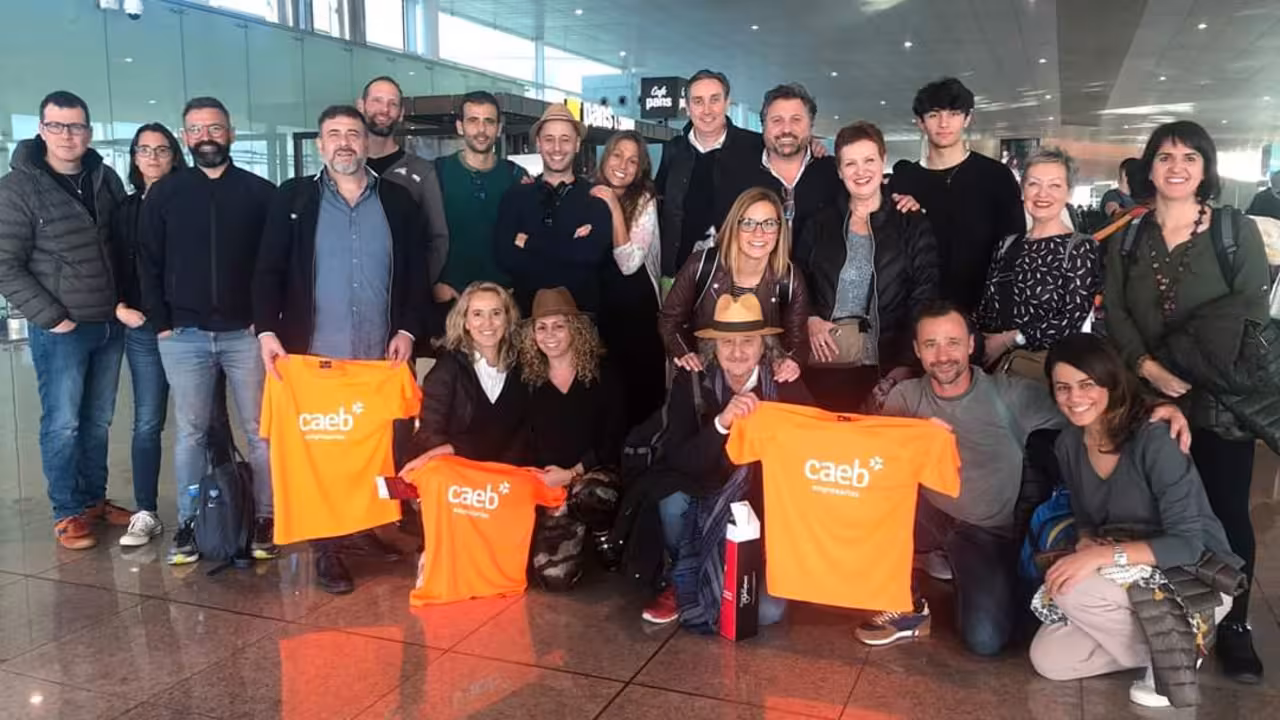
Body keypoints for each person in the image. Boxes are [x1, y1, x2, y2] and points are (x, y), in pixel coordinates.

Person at [858, 301, 1189, 656]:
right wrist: (917, 435)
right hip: (925, 513)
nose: (942, 356)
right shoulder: (906, 396)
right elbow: (876, 464)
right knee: (864, 502)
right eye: (930, 344)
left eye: (953, 343)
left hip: (983, 529)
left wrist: (1155, 406)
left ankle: (956, 566)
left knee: (985, 639)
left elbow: (1086, 403)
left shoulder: (1010, 394)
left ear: (971, 345)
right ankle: (910, 602)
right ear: (916, 350)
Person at [1103, 120, 1271, 684]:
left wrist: (1186, 370)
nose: (1177, 167)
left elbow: (1248, 308)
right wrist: (1148, 368)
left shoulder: (1233, 230)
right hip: (1147, 394)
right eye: (1165, 156)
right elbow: (1116, 313)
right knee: (1155, 512)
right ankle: (1171, 619)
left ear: (1205, 169)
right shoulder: (1128, 236)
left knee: (1225, 511)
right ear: (1148, 168)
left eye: (1190, 157)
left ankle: (1235, 623)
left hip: (1220, 398)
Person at [254, 105, 427, 594]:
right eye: (334, 134)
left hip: (377, 356)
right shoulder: (294, 198)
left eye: (353, 133)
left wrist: (408, 330)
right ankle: (328, 547)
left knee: (373, 449)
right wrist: (266, 331)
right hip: (315, 355)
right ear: (320, 144)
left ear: (367, 142)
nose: (345, 142)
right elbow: (267, 269)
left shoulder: (397, 200)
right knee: (325, 450)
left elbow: (415, 274)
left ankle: (364, 524)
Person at [1029, 333, 1243, 709]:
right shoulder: (1068, 444)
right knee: (1049, 659)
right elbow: (1086, 518)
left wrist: (1098, 558)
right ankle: (1176, 649)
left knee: (1072, 588)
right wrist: (1085, 541)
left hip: (1196, 574)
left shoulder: (1155, 438)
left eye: (1087, 384)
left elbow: (1188, 544)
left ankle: (1175, 650)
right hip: (1130, 573)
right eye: (1063, 387)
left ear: (1110, 383)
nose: (1075, 397)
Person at [137, 96, 278, 565]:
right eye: (196, 129)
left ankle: (265, 518)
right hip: (185, 335)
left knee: (260, 431)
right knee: (191, 433)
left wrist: (266, 321)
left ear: (230, 133)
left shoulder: (260, 192)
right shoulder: (165, 194)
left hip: (245, 335)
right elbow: (147, 261)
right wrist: (161, 323)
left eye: (215, 128)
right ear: (185, 138)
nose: (206, 137)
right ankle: (190, 522)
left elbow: (274, 263)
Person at [626, 293, 815, 626]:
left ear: (764, 346)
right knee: (671, 499)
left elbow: (814, 450)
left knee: (767, 613)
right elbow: (681, 459)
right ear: (714, 347)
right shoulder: (692, 380)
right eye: (727, 342)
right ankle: (680, 576)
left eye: (748, 341)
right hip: (704, 493)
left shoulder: (785, 383)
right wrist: (721, 423)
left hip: (764, 507)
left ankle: (743, 568)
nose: (737, 351)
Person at [0, 91, 126, 549]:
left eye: (75, 126)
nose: (67, 135)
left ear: (88, 132)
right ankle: (67, 512)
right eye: (57, 126)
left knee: (98, 421)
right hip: (62, 329)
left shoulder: (104, 178)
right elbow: (5, 264)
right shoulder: (18, 188)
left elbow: (122, 243)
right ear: (41, 130)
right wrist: (52, 318)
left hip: (109, 323)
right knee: (63, 422)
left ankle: (93, 501)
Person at [795, 120, 940, 412]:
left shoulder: (911, 223)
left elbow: (924, 296)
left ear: (883, 160)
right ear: (839, 171)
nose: (860, 171)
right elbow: (795, 279)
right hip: (827, 362)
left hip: (888, 364)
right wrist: (809, 317)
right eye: (850, 164)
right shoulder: (820, 224)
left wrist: (906, 363)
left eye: (869, 160)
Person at [110, 123, 187, 547]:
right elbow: (113, 262)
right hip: (142, 328)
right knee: (146, 421)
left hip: (190, 328)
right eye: (144, 150)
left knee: (203, 421)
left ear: (175, 156)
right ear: (134, 158)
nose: (153, 157)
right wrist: (119, 306)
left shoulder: (192, 200)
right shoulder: (124, 208)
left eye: (162, 150)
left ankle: (213, 507)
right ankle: (146, 512)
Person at [519, 287, 626, 590]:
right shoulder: (526, 379)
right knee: (553, 580)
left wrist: (573, 473)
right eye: (541, 327)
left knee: (591, 494)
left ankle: (603, 533)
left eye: (559, 326)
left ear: (575, 329)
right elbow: (521, 438)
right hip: (548, 482)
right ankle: (570, 530)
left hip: (593, 476)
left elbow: (614, 437)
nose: (549, 335)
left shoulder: (604, 374)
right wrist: (538, 478)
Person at [889, 78, 1025, 313]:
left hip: (984, 311)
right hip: (919, 313)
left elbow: (1014, 247)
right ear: (920, 122)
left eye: (953, 114)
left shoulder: (996, 176)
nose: (944, 123)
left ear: (967, 118)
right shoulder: (903, 182)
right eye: (933, 115)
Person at [659, 187, 808, 381]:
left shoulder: (789, 277)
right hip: (704, 374)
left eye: (769, 223)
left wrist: (791, 361)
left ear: (779, 231)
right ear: (734, 227)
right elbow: (669, 320)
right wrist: (684, 353)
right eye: (748, 223)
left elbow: (798, 338)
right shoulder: (701, 266)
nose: (759, 232)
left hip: (762, 378)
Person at [977, 147, 1100, 370]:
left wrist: (1009, 339)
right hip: (994, 368)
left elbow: (1071, 320)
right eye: (1034, 184)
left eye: (1055, 185)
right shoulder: (1007, 245)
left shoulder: (1079, 248)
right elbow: (987, 309)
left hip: (1045, 368)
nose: (1043, 194)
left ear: (1069, 193)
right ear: (1023, 189)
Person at [493, 104, 614, 319]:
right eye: (549, 139)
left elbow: (591, 256)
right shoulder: (515, 196)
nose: (557, 148)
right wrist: (570, 246)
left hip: (583, 321)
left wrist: (530, 243)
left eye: (565, 139)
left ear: (577, 144)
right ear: (538, 143)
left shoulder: (595, 198)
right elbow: (507, 260)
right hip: (527, 321)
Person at [401, 282, 528, 473]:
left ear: (508, 319)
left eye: (496, 313)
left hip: (505, 477)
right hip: (456, 476)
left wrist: (502, 474)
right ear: (466, 322)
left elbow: (520, 435)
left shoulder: (520, 370)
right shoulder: (447, 369)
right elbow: (430, 436)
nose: (487, 323)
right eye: (477, 314)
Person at [654, 69, 765, 283]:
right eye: (698, 101)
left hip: (737, 275)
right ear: (688, 108)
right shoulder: (674, 149)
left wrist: (813, 147)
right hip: (678, 273)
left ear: (727, 103)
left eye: (714, 100)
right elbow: (658, 203)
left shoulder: (754, 147)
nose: (707, 110)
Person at [590, 129, 666, 425]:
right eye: (617, 155)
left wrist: (612, 205)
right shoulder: (588, 194)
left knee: (640, 392)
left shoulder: (645, 200)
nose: (623, 164)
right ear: (605, 158)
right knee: (605, 391)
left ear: (640, 169)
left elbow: (629, 263)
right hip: (600, 308)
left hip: (637, 312)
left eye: (632, 161)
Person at [430, 91, 529, 317]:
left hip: (503, 302)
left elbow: (528, 237)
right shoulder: (437, 172)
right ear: (460, 126)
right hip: (450, 299)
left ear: (499, 128)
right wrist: (433, 282)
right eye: (473, 120)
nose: (481, 129)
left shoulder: (515, 175)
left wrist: (517, 283)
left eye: (489, 121)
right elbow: (420, 235)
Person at [356, 76, 448, 295]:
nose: (384, 110)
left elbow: (438, 239)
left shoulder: (421, 172)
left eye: (393, 104)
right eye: (377, 100)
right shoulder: (344, 169)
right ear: (361, 105)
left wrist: (417, 288)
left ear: (401, 112)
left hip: (404, 296)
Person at [718, 83, 843, 244]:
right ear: (763, 126)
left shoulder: (835, 174)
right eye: (777, 120)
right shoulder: (736, 175)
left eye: (796, 120)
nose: (786, 129)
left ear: (810, 125)